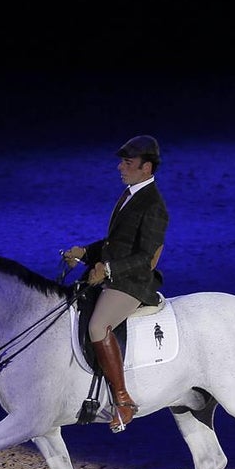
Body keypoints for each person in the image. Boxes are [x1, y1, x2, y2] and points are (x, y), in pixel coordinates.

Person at [62, 135, 169, 432]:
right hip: (115, 273)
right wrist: (86, 253)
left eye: (128, 163)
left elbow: (146, 257)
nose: (121, 168)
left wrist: (107, 270)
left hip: (133, 282)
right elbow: (116, 243)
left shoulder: (154, 206)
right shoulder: (130, 194)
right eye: (122, 162)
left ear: (146, 167)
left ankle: (123, 400)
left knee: (98, 326)